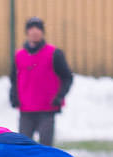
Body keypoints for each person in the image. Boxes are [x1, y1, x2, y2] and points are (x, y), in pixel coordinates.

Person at [9, 17, 73, 148]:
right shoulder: (18, 55)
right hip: (26, 109)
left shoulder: (54, 53)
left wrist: (59, 97)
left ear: (42, 32)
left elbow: (67, 77)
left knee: (46, 148)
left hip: (47, 109)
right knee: (23, 148)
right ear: (27, 32)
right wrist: (14, 96)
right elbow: (14, 79)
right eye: (31, 28)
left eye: (38, 28)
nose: (35, 31)